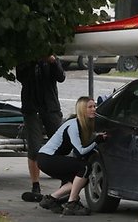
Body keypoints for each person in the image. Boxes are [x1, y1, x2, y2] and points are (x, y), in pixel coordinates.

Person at [37, 97, 107, 215]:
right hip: (47, 158)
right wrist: (97, 140)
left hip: (49, 159)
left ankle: (51, 199)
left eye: (94, 106)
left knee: (81, 179)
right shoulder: (73, 125)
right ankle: (72, 203)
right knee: (85, 168)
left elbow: (79, 153)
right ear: (81, 110)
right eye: (89, 107)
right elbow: (80, 152)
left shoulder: (82, 124)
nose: (93, 109)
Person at [16, 54, 66, 202]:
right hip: (32, 108)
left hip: (51, 107)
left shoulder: (51, 60)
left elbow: (61, 77)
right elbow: (21, 77)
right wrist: (32, 61)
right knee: (34, 147)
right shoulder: (24, 59)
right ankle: (35, 184)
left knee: (61, 145)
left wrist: (52, 62)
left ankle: (65, 181)